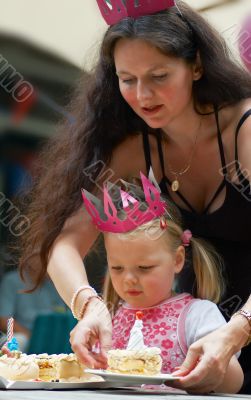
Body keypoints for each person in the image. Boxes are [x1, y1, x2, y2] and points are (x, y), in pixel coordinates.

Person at [18, 0, 251, 393]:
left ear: (196, 66)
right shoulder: (133, 150)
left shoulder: (244, 130)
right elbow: (65, 243)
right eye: (128, 79)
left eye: (158, 76)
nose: (143, 94)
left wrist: (235, 332)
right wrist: (88, 305)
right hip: (196, 347)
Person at [89, 174, 243, 393]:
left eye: (144, 268)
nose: (129, 278)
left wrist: (212, 366)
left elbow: (233, 382)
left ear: (178, 260)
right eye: (117, 268)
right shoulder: (109, 317)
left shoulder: (198, 315)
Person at [0, 270, 66, 352]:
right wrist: (33, 337)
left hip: (53, 336)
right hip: (26, 336)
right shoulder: (12, 281)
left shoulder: (54, 283)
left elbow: (62, 313)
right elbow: (4, 320)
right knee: (18, 340)